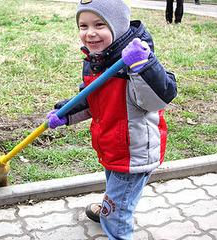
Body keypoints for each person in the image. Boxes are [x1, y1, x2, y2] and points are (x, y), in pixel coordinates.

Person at [46, 0, 177, 239]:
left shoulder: (134, 61)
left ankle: (114, 218)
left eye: (99, 24)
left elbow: (159, 99)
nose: (90, 33)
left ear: (118, 26)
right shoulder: (96, 60)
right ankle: (113, 204)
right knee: (117, 191)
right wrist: (64, 114)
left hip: (133, 152)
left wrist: (143, 66)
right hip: (112, 145)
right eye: (83, 26)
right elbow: (91, 100)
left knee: (117, 214)